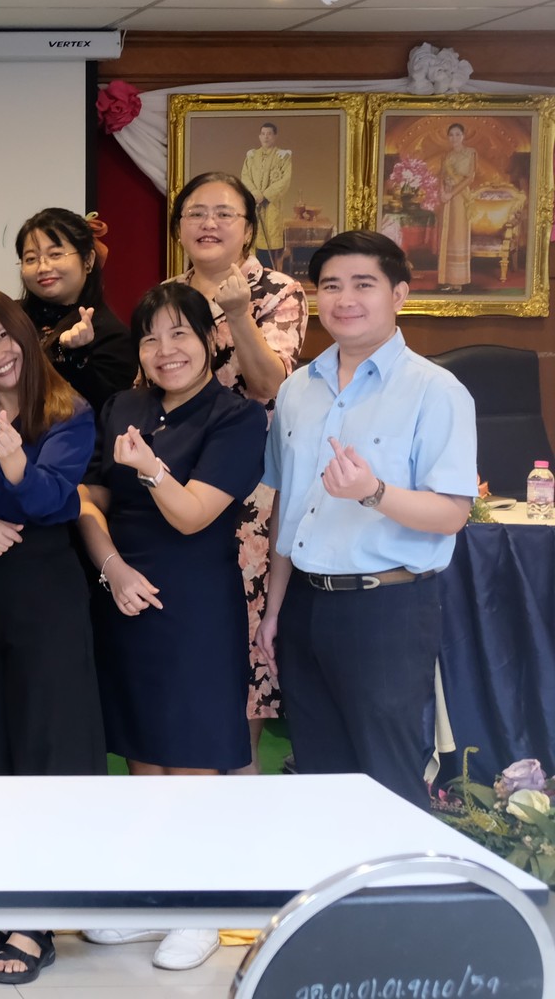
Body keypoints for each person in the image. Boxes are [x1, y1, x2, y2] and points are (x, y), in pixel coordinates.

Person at [77, 281, 266, 973]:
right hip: (124, 591)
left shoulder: (236, 417)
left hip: (193, 601)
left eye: (180, 333)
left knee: (191, 753)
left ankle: (203, 907)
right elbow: (89, 497)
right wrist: (111, 568)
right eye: (150, 338)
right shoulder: (122, 406)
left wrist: (152, 469)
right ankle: (157, 897)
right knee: (143, 750)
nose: (165, 350)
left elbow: (192, 516)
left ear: (212, 340)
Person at [261, 230, 476, 806]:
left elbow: (453, 513)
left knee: (388, 779)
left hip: (387, 609)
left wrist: (373, 492)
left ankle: (397, 870)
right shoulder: (296, 389)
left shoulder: (436, 391)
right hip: (305, 605)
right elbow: (287, 507)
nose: (345, 299)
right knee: (318, 773)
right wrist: (274, 609)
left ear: (399, 294)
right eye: (331, 286)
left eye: (363, 284)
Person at [0, 288, 106, 985]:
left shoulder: (69, 411)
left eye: (4, 338)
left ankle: (37, 917)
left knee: (48, 748)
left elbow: (55, 501)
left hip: (45, 589)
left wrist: (15, 465)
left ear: (27, 336)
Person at [172, 171, 307, 770]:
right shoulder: (168, 294)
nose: (209, 224)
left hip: (248, 488)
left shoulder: (278, 291)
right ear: (179, 228)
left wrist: (237, 315)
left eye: (224, 213)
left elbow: (269, 384)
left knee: (244, 638)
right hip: (174, 484)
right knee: (186, 639)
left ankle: (242, 773)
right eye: (196, 213)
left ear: (249, 229)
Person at [16, 208, 136, 411]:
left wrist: (76, 357)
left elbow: (105, 409)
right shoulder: (10, 318)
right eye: (31, 259)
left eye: (55, 254)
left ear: (88, 260)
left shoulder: (112, 335)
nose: (43, 267)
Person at [240, 122, 293, 273]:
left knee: (271, 239)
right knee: (254, 238)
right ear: (259, 136)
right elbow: (245, 176)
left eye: (269, 134)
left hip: (272, 205)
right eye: (263, 134)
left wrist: (265, 195)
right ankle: (254, 273)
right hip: (254, 203)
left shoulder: (282, 156)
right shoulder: (251, 156)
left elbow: (285, 180)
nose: (266, 137)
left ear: (275, 136)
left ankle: (272, 274)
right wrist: (255, 193)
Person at [436, 123, 477, 292]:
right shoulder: (447, 156)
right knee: (447, 236)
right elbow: (441, 175)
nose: (454, 138)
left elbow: (470, 178)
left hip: (460, 197)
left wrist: (451, 194)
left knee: (458, 235)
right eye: (451, 134)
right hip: (447, 198)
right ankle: (447, 279)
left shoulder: (470, 153)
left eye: (457, 134)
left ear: (463, 136)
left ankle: (458, 281)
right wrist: (442, 193)